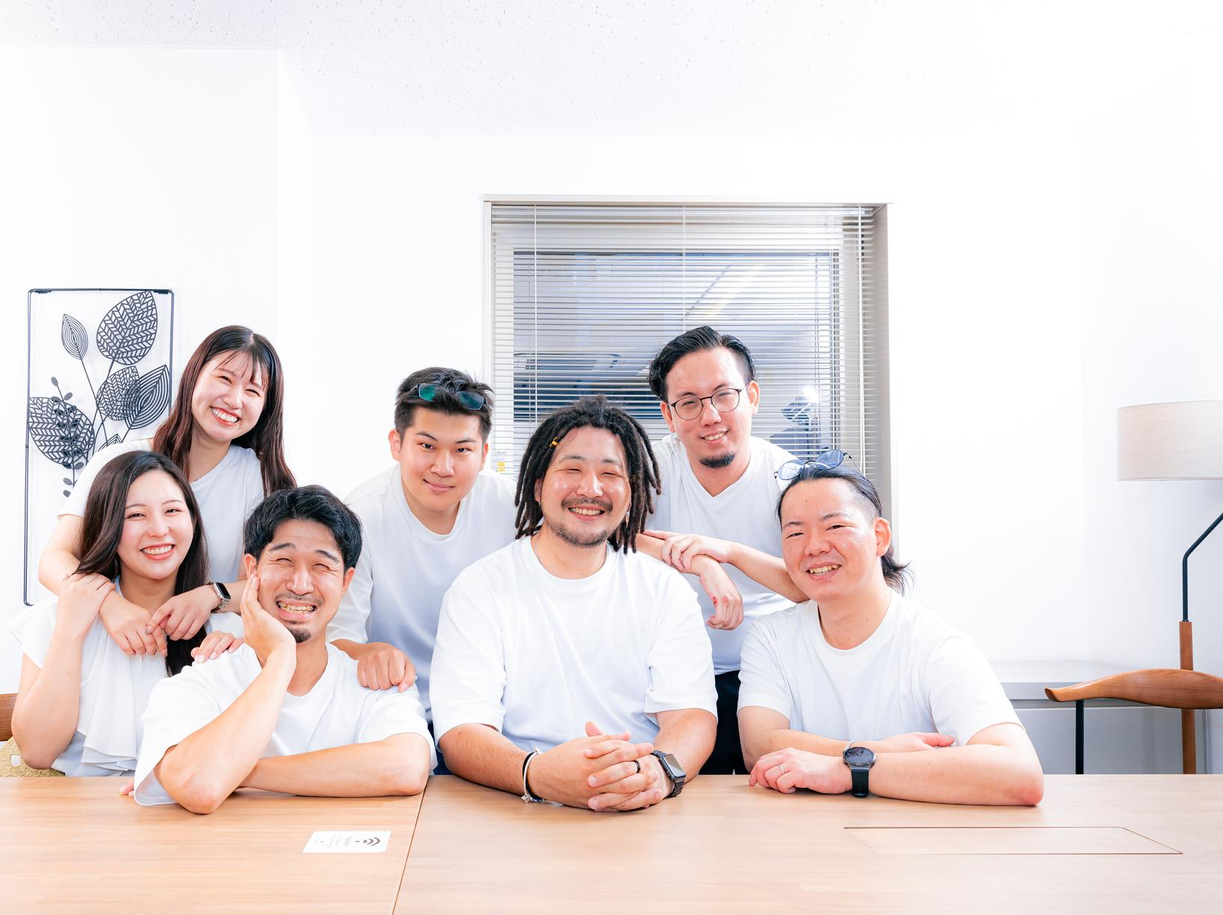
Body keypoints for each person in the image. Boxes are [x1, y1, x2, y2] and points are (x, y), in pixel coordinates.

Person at [429, 396, 717, 813]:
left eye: (610, 473)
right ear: (538, 486)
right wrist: (538, 774)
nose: (591, 489)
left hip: (641, 805)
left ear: (632, 493)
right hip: (515, 806)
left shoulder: (665, 590)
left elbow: (692, 715)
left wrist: (655, 772)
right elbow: (461, 731)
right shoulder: (479, 589)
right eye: (572, 469)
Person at [738, 463, 1044, 806]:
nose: (813, 546)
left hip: (910, 832)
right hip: (799, 830)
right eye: (795, 534)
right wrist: (875, 751)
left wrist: (848, 769)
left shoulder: (934, 644)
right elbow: (758, 747)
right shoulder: (771, 637)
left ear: (880, 536)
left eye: (835, 526)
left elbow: (1020, 774)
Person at [133, 486, 434, 813]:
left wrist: (237, 772)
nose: (300, 585)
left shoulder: (375, 681)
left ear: (346, 582)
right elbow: (198, 785)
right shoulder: (199, 683)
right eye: (283, 561)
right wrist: (280, 658)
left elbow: (406, 767)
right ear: (252, 570)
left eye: (322, 566)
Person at [38, 326, 294, 660]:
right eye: (224, 379)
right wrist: (109, 605)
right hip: (112, 640)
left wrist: (211, 596)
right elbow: (54, 561)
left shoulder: (259, 478)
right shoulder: (117, 460)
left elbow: (266, 583)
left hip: (208, 653)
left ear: (265, 407)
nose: (235, 400)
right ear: (194, 376)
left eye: (253, 391)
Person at [636, 325, 809, 775]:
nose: (710, 416)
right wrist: (699, 561)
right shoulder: (651, 467)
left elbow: (813, 588)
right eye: (689, 402)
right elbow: (601, 534)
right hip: (669, 673)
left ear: (752, 396)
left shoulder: (792, 480)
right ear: (669, 415)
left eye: (723, 395)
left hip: (769, 673)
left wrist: (728, 552)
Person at [9, 450, 241, 775]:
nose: (159, 529)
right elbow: (37, 751)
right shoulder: (55, 617)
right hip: (73, 804)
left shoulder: (226, 630)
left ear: (193, 521)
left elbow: (237, 757)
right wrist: (70, 632)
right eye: (136, 515)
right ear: (107, 527)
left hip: (181, 804)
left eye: (172, 510)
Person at [323, 367, 513, 717]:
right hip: (394, 702)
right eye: (427, 446)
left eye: (462, 450)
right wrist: (369, 654)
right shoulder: (360, 517)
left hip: (490, 704)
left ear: (483, 455)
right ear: (396, 444)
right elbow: (336, 637)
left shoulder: (511, 509)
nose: (443, 467)